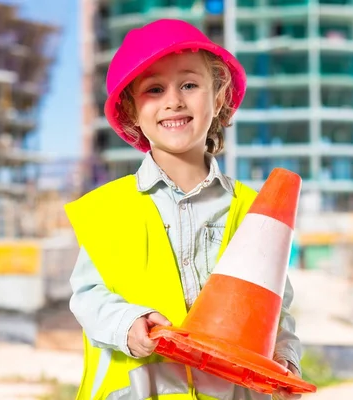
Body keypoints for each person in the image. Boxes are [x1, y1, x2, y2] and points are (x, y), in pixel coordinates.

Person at [65, 19, 303, 400]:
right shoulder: (108, 210)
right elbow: (87, 297)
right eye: (154, 89)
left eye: (189, 85)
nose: (174, 100)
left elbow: (276, 309)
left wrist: (284, 360)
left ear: (219, 95)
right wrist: (129, 324)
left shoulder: (253, 211)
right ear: (130, 111)